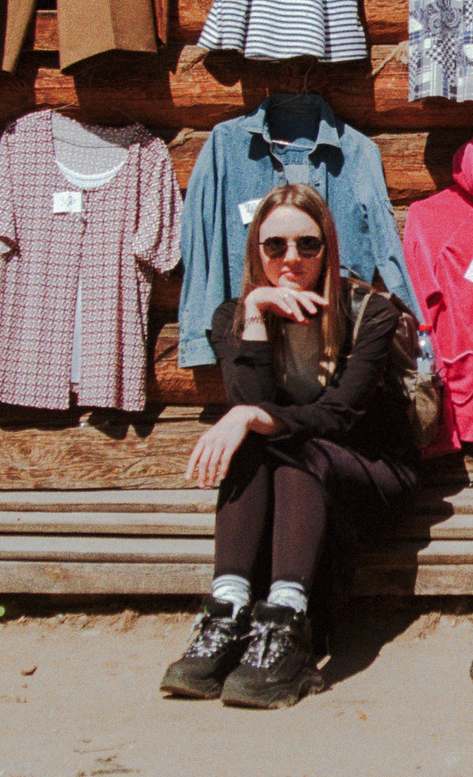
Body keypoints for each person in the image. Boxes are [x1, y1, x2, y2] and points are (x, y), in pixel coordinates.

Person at [164, 184, 417, 709]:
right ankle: (228, 612)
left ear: (328, 248)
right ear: (256, 250)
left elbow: (340, 417)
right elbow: (248, 404)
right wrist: (256, 313)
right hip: (293, 481)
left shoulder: (370, 312)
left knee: (292, 446)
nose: (292, 259)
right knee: (256, 443)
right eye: (275, 246)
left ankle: (286, 623)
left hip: (371, 471)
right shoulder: (232, 317)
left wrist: (255, 416)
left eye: (307, 244)